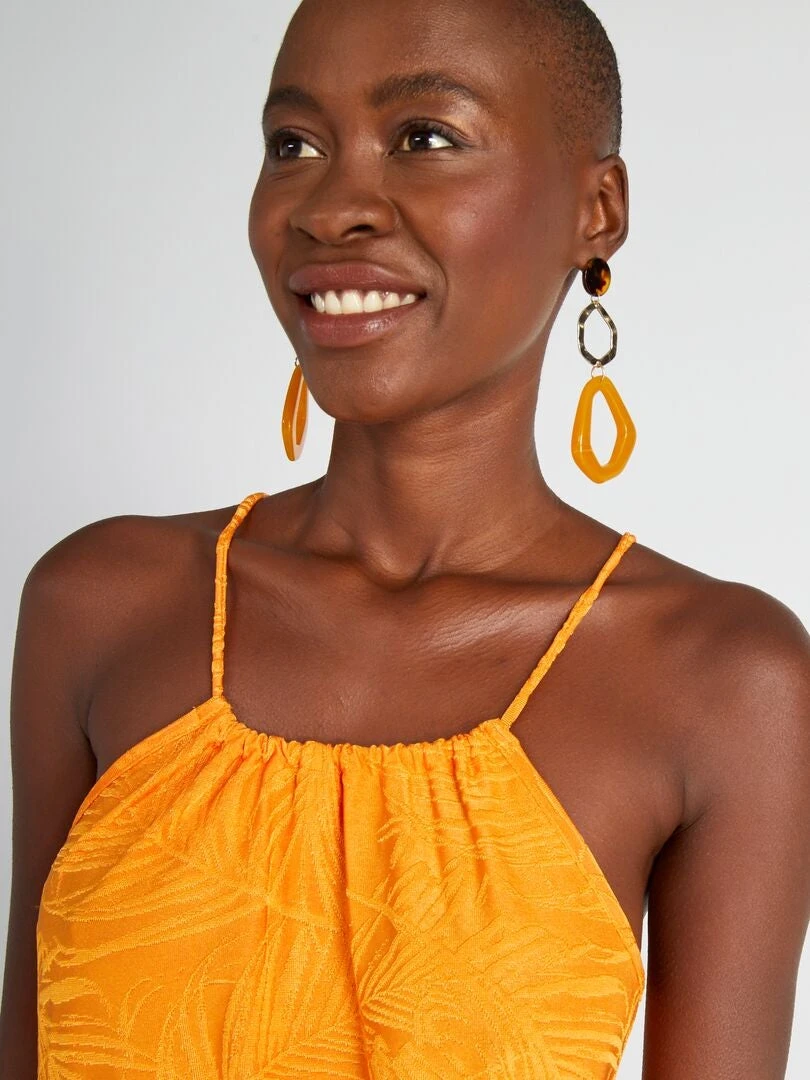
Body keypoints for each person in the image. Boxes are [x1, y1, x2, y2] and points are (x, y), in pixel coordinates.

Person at [2, 0, 809, 1076]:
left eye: (425, 137)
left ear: (598, 210)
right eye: (293, 145)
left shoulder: (723, 680)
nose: (331, 207)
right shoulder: (99, 603)